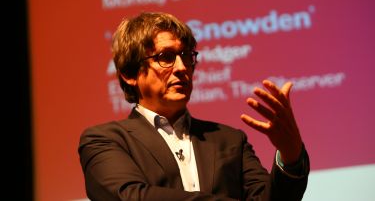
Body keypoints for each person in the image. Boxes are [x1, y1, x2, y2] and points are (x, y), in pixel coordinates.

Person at [78, 12, 310, 201]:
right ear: (129, 73)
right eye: (166, 57)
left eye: (187, 56)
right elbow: (131, 197)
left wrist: (290, 155)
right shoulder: (106, 139)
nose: (181, 67)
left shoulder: (230, 140)